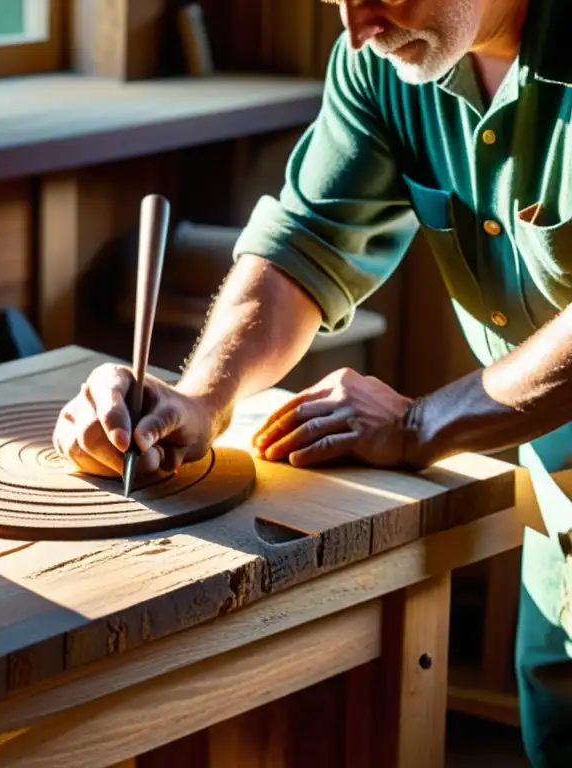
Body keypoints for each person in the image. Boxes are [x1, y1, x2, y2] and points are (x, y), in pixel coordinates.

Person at [52, 0, 572, 763]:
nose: (356, 26)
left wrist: (417, 426)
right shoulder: (389, 59)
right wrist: (200, 398)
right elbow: (305, 242)